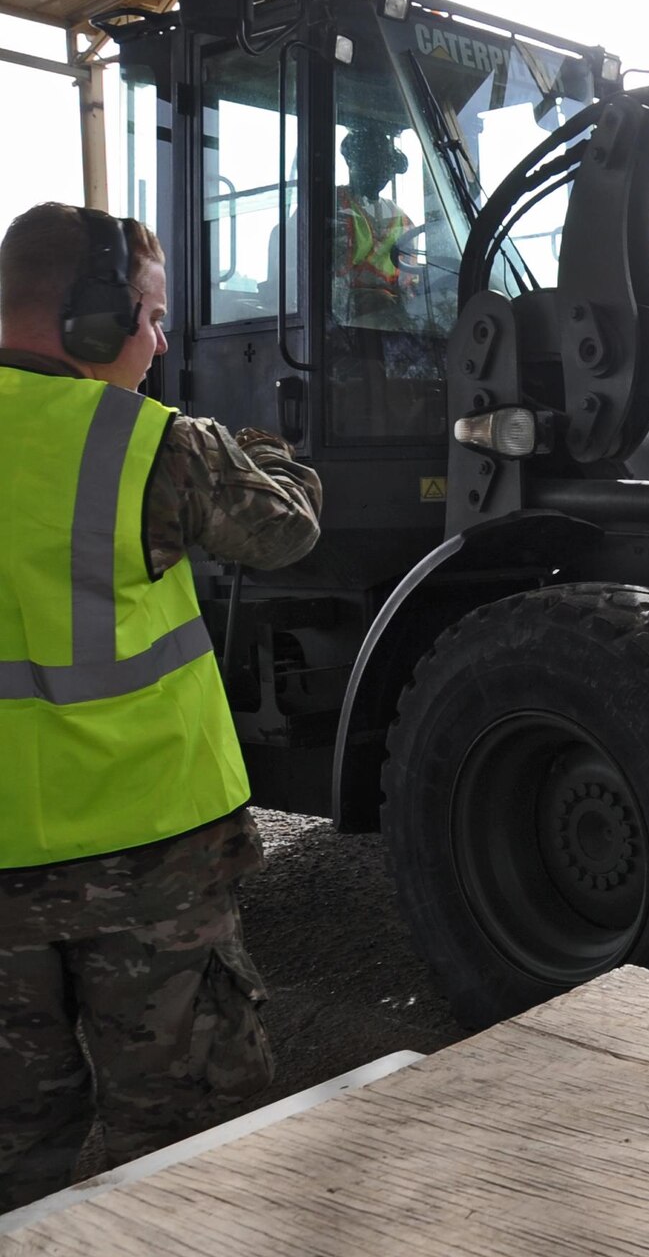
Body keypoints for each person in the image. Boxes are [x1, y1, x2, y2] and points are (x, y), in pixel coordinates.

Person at [0, 202, 323, 1210]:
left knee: (15, 1154)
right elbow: (288, 523)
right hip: (149, 862)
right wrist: (257, 440)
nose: (159, 341)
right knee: (185, 1152)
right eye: (150, 317)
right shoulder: (151, 446)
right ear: (94, 324)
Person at [333, 128, 417, 329]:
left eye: (386, 167)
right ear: (352, 162)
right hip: (346, 325)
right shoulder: (330, 206)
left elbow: (409, 283)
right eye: (373, 165)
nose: (383, 173)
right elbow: (319, 284)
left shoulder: (401, 219)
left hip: (389, 322)